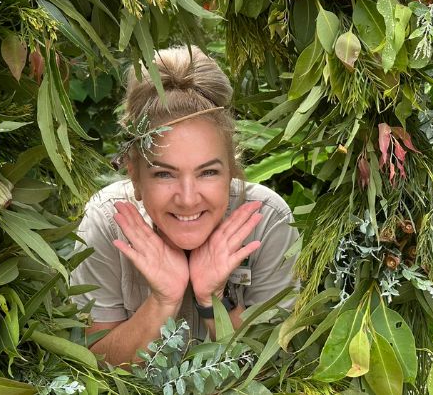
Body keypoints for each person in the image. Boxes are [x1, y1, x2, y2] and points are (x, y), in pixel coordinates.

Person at [70, 45, 299, 366]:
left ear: (231, 170)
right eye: (165, 173)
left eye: (208, 172)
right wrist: (162, 301)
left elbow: (273, 371)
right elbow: (93, 364)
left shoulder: (268, 221)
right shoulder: (108, 222)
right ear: (135, 175)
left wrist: (211, 303)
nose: (188, 198)